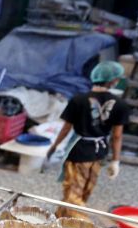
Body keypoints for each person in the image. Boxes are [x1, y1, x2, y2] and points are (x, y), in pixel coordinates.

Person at [46, 61, 129, 219]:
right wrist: (115, 161)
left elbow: (66, 128)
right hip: (99, 152)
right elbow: (117, 136)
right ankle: (65, 222)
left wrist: (55, 146)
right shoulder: (120, 105)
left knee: (73, 193)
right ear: (113, 81)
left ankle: (72, 223)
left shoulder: (78, 100)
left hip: (78, 150)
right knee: (83, 191)